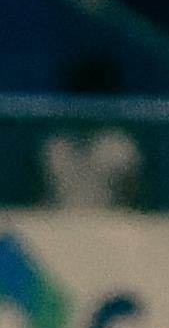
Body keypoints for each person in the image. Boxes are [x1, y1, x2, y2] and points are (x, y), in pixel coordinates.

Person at [40, 50, 144, 211]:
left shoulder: (122, 148)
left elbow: (132, 203)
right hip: (59, 230)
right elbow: (40, 202)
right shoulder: (55, 147)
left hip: (110, 231)